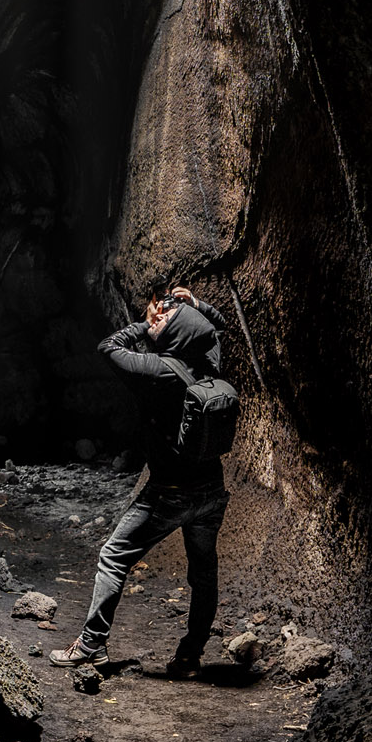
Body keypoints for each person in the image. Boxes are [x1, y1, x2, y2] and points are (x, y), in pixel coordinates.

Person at [49, 284, 238, 677]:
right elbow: (217, 327)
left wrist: (143, 325)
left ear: (179, 332)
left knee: (113, 556)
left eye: (167, 317)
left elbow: (108, 348)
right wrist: (194, 305)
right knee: (203, 572)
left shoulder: (161, 373)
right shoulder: (209, 361)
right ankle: (190, 655)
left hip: (169, 495)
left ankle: (90, 646)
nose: (160, 315)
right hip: (211, 491)